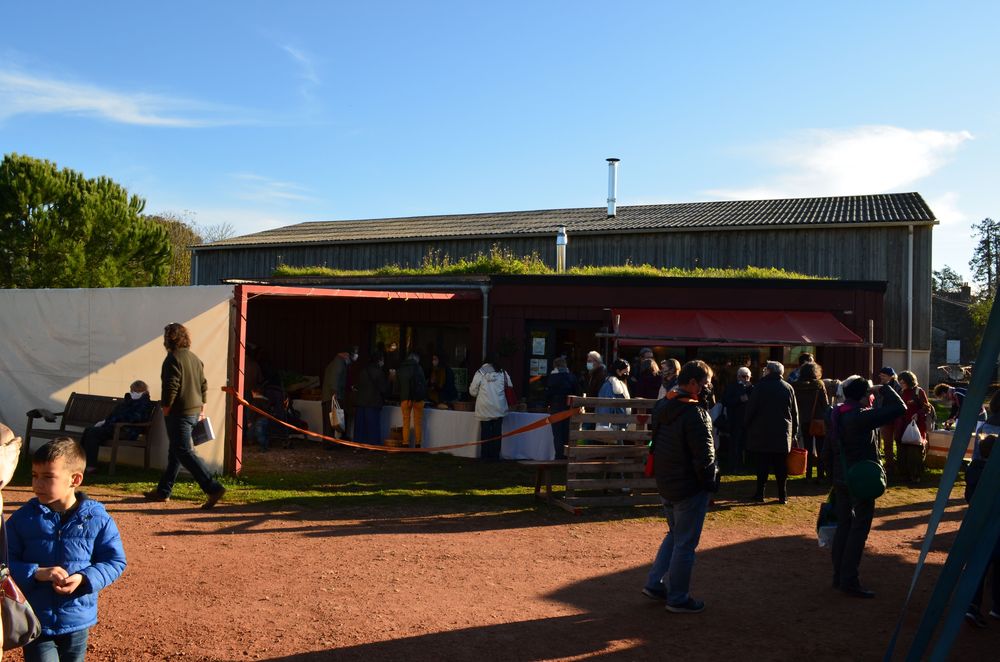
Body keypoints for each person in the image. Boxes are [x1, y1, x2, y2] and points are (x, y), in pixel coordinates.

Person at [6, 438, 127, 662]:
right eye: (34, 475)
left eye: (48, 477)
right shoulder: (22, 519)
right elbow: (4, 563)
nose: (37, 484)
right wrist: (36, 572)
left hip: (78, 621)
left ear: (75, 479)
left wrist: (84, 578)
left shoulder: (97, 518)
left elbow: (115, 561)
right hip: (37, 621)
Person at [642, 360, 718, 614]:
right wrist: (710, 484)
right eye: (706, 382)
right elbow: (705, 457)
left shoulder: (665, 404)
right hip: (688, 485)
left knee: (675, 535)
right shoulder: (695, 413)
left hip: (666, 480)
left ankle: (655, 583)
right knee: (685, 542)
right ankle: (678, 596)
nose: (708, 387)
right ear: (694, 383)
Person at [822, 374, 905, 598]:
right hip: (860, 479)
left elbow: (828, 449)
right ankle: (849, 579)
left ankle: (839, 577)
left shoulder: (835, 413)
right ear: (863, 395)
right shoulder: (861, 416)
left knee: (844, 527)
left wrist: (832, 475)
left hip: (841, 478)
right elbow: (900, 408)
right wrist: (885, 388)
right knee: (859, 529)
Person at [144, 322, 226, 509]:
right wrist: (202, 407)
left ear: (169, 339)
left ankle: (212, 488)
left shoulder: (172, 359)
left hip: (178, 412)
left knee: (183, 450)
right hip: (194, 410)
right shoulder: (194, 358)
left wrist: (166, 407)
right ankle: (163, 491)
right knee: (176, 451)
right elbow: (203, 385)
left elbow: (170, 386)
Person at [745, 361, 798, 503]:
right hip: (782, 433)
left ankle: (759, 494)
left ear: (769, 371)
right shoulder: (788, 387)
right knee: (781, 467)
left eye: (765, 369)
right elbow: (794, 413)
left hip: (762, 432)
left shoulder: (760, 387)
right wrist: (794, 432)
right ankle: (783, 495)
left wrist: (747, 425)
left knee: (762, 465)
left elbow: (751, 409)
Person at [964, 434, 1000, 628]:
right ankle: (995, 605)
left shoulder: (974, 470)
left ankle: (972, 604)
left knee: (980, 566)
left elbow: (968, 497)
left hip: (976, 524)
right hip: (993, 527)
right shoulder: (993, 474)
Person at [80, 380, 155, 474]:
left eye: (134, 391)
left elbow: (135, 418)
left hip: (126, 431)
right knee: (89, 431)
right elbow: (116, 413)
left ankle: (90, 466)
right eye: (131, 391)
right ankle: (82, 462)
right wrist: (105, 421)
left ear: (141, 391)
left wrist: (115, 420)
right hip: (114, 428)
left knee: (93, 433)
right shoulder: (129, 401)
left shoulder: (144, 404)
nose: (132, 393)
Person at [468, 354, 510, 461]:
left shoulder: (480, 373)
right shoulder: (502, 372)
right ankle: (495, 456)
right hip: (499, 407)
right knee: (497, 433)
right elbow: (509, 386)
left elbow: (472, 392)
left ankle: (485, 456)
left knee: (485, 432)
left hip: (484, 407)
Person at [792, 362, 829, 483]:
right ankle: (820, 474)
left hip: (804, 419)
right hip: (819, 420)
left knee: (807, 447)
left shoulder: (796, 386)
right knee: (820, 448)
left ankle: (808, 474)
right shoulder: (819, 385)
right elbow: (825, 404)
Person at [895, 371, 934, 482]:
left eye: (903, 382)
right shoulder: (901, 392)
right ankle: (904, 474)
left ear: (909, 381)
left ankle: (915, 475)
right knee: (902, 450)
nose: (902, 384)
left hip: (916, 426)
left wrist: (918, 414)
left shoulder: (918, 391)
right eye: (900, 382)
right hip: (902, 425)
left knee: (914, 450)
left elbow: (927, 408)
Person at [545, 357, 581, 460]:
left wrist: (546, 405)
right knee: (567, 433)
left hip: (556, 409)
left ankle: (558, 456)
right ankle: (567, 456)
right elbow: (577, 392)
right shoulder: (572, 377)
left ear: (555, 366)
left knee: (557, 435)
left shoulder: (552, 378)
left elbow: (548, 394)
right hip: (569, 409)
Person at [721, 366, 753, 472]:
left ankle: (745, 465)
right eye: (744, 376)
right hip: (735, 420)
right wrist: (739, 399)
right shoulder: (732, 387)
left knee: (746, 444)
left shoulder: (751, 388)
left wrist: (751, 388)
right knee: (735, 444)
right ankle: (734, 466)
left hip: (748, 421)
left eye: (748, 377)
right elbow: (726, 401)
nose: (746, 379)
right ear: (738, 376)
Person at [322, 346, 357, 441]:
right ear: (346, 354)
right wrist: (335, 393)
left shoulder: (336, 363)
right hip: (332, 396)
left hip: (329, 396)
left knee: (330, 422)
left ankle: (328, 442)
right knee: (331, 422)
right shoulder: (339, 363)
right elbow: (335, 379)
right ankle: (329, 443)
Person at [354, 352, 390, 446]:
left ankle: (359, 444)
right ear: (379, 360)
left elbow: (358, 386)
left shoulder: (363, 371)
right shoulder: (379, 372)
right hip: (373, 403)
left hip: (361, 402)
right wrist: (390, 380)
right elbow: (384, 389)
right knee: (373, 427)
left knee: (360, 427)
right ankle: (373, 446)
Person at [875, 367, 904, 476]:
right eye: (880, 375)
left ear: (890, 376)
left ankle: (901, 465)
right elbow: (877, 402)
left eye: (883, 376)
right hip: (885, 418)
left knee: (899, 441)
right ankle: (890, 465)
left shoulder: (898, 388)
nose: (881, 377)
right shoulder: (880, 387)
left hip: (896, 418)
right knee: (887, 443)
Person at [396, 351, 428, 448]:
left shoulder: (401, 369)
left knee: (406, 421)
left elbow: (398, 385)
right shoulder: (419, 368)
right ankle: (418, 444)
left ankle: (405, 443)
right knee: (417, 422)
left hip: (405, 399)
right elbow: (423, 384)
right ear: (416, 359)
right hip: (417, 399)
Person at [597, 359, 632, 428]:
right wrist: (604, 427)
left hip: (619, 426)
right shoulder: (609, 385)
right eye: (625, 372)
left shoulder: (619, 384)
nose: (627, 375)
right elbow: (605, 408)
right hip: (612, 427)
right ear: (618, 371)